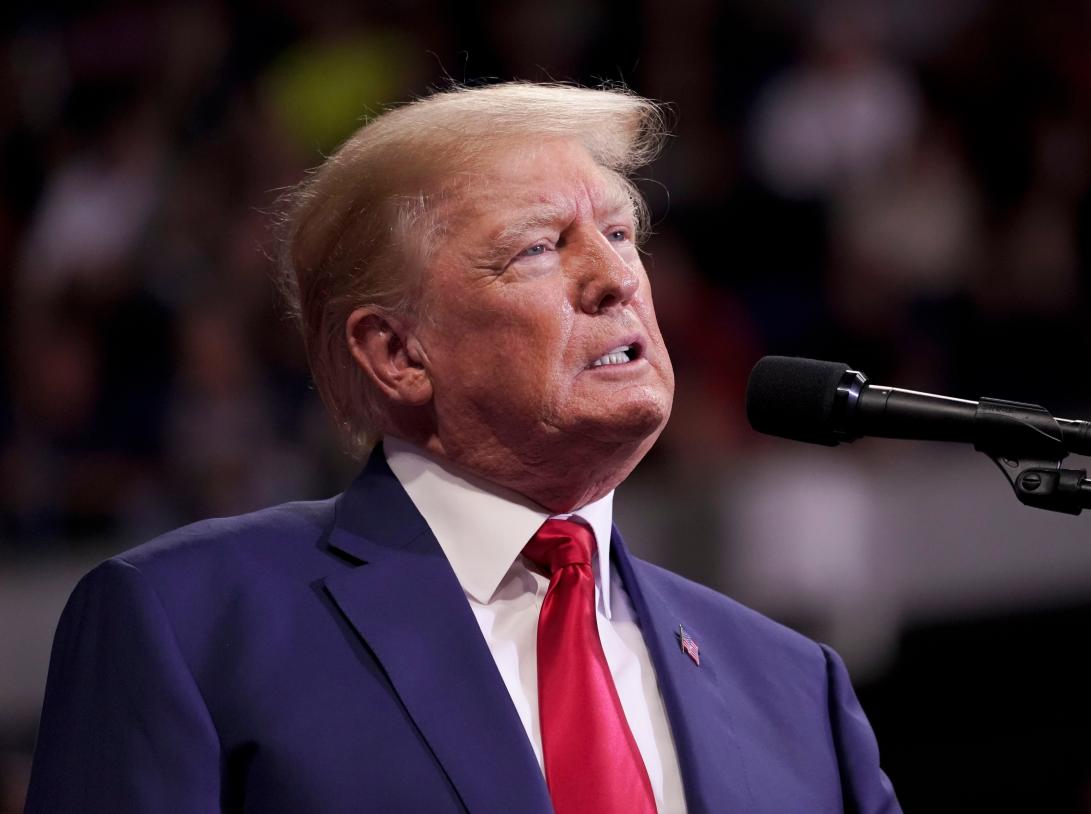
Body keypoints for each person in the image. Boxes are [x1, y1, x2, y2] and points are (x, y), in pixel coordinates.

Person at [24, 82, 900, 814]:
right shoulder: (187, 627)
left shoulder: (795, 692)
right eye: (538, 248)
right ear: (398, 353)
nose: (618, 278)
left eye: (622, 234)